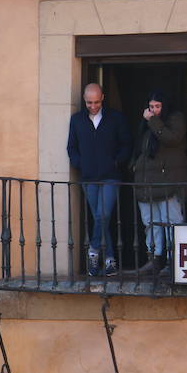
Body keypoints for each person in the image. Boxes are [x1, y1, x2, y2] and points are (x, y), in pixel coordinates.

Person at [67, 82, 131, 276]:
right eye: (89, 103)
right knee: (100, 218)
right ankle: (110, 259)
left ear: (102, 97)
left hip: (111, 176)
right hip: (88, 177)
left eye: (96, 102)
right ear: (84, 101)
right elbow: (71, 147)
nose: (93, 106)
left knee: (102, 215)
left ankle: (93, 252)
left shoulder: (116, 119)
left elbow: (127, 144)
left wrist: (116, 162)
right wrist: (80, 164)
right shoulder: (77, 120)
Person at [131, 89, 187, 276]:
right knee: (150, 223)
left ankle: (174, 261)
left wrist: (152, 121)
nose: (153, 110)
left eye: (157, 106)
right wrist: (134, 166)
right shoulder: (148, 125)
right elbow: (140, 149)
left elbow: (171, 138)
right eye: (151, 107)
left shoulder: (174, 119)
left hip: (167, 184)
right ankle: (153, 259)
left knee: (171, 222)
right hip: (146, 183)